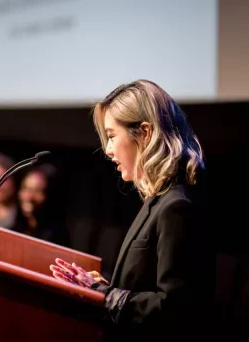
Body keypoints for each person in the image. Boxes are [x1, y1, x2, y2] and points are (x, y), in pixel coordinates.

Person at [50, 80, 215, 339]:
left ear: (145, 133)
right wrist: (100, 288)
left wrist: (105, 295)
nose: (107, 149)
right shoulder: (158, 200)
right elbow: (143, 288)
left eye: (112, 136)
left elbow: (175, 310)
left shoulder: (177, 206)